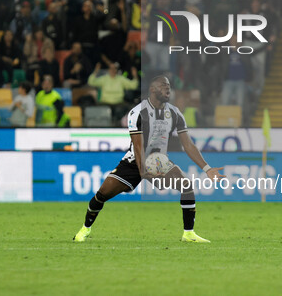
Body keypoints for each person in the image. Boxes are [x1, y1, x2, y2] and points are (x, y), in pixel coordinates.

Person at [73, 75, 225, 243]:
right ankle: (85, 229)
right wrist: (143, 172)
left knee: (186, 185)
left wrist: (207, 168)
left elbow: (188, 145)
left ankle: (188, 233)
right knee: (102, 194)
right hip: (134, 161)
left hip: (159, 161)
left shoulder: (174, 113)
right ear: (152, 89)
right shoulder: (138, 113)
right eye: (163, 86)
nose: (167, 89)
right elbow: (138, 147)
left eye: (168, 86)